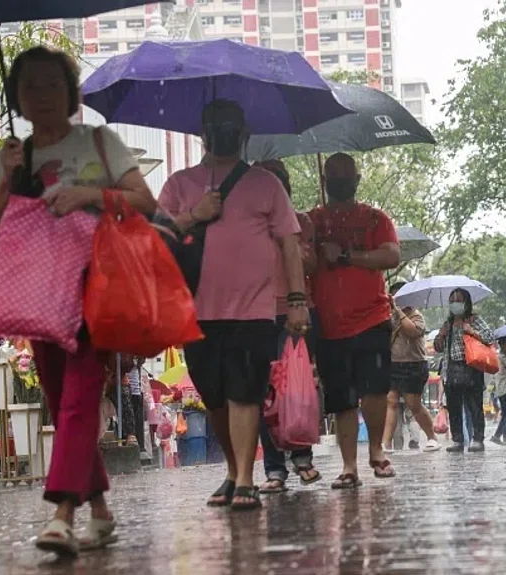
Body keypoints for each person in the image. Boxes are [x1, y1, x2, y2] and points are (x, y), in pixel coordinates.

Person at [0, 47, 158, 556]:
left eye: (53, 84)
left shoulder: (99, 143)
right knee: (62, 403)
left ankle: (62, 513)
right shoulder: (11, 157)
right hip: (38, 294)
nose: (43, 94)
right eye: (31, 86)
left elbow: (146, 202)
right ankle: (100, 508)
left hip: (96, 287)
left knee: (81, 393)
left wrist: (88, 196)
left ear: (72, 92)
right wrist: (8, 185)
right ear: (17, 98)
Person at [160, 100, 309, 510]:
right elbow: (154, 236)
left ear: (244, 134)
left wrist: (297, 301)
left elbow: (290, 244)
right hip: (194, 310)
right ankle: (232, 470)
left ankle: (245, 478)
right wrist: (194, 214)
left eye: (231, 126)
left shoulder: (265, 184)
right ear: (203, 134)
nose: (224, 132)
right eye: (216, 125)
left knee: (246, 392)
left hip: (253, 309)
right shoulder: (179, 184)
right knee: (216, 399)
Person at [309, 153, 401, 488]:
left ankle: (376, 450)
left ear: (357, 180)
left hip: (372, 317)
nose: (339, 180)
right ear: (324, 181)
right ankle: (349, 466)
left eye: (345, 175)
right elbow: (299, 262)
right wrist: (317, 251)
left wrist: (347, 255)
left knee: (374, 391)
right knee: (341, 397)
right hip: (330, 325)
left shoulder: (376, 219)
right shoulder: (313, 222)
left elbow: (391, 255)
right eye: (333, 175)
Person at [255, 159, 322, 494]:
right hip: (256, 312)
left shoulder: (302, 221)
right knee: (264, 392)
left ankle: (302, 456)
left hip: (294, 312)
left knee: (296, 387)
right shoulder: (249, 222)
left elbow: (311, 263)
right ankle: (274, 468)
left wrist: (295, 245)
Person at [433, 288, 495, 453]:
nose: (455, 304)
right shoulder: (448, 323)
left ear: (466, 303)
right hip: (451, 370)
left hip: (472, 368)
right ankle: (458, 440)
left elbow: (490, 338)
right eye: (452, 301)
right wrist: (441, 335)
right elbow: (438, 348)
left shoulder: (474, 320)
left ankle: (477, 439)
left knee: (474, 405)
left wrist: (471, 331)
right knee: (453, 407)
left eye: (458, 300)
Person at [384, 281, 441, 452]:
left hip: (414, 365)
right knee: (391, 401)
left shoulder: (417, 316)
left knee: (413, 403)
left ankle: (432, 437)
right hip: (393, 364)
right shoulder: (389, 316)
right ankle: (386, 443)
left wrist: (398, 311)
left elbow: (413, 331)